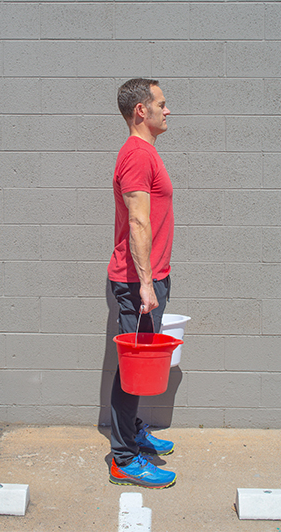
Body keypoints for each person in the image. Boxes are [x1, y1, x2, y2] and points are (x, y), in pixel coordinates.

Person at [107, 78, 176, 489]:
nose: (167, 110)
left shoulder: (147, 153)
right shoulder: (136, 155)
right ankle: (122, 459)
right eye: (161, 104)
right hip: (138, 281)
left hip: (151, 277)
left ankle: (133, 433)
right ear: (141, 111)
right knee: (131, 371)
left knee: (139, 368)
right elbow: (137, 221)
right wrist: (147, 284)